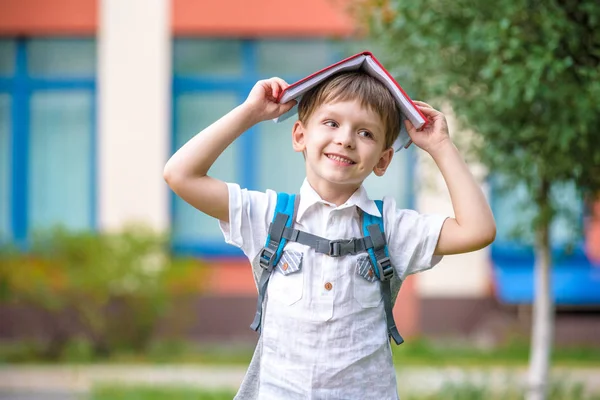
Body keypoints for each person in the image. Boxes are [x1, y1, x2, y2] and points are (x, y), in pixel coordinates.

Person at [163, 71, 496, 399]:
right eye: (332, 123)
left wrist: (440, 146)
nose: (346, 139)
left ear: (383, 160)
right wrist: (251, 113)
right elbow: (181, 174)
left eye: (365, 133)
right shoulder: (268, 216)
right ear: (299, 136)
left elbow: (477, 230)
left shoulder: (390, 228)